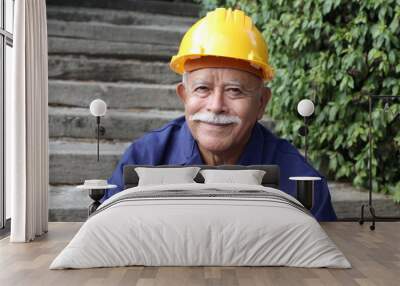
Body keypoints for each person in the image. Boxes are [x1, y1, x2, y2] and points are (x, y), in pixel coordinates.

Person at [101, 8, 337, 221]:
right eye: (202, 88)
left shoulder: (301, 184)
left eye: (235, 91)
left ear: (262, 103)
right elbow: (103, 235)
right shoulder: (144, 158)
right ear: (184, 96)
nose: (216, 106)